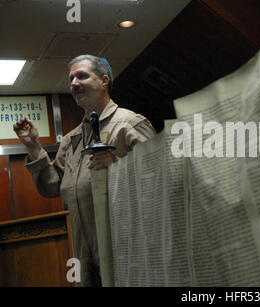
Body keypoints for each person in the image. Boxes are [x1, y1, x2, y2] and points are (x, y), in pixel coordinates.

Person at [13, 54, 156, 286]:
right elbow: (51, 186)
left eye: (82, 76)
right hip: (82, 251)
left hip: (125, 247)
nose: (74, 83)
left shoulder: (129, 123)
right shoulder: (72, 139)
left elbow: (161, 177)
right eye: (71, 79)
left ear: (104, 81)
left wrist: (119, 164)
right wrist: (33, 146)